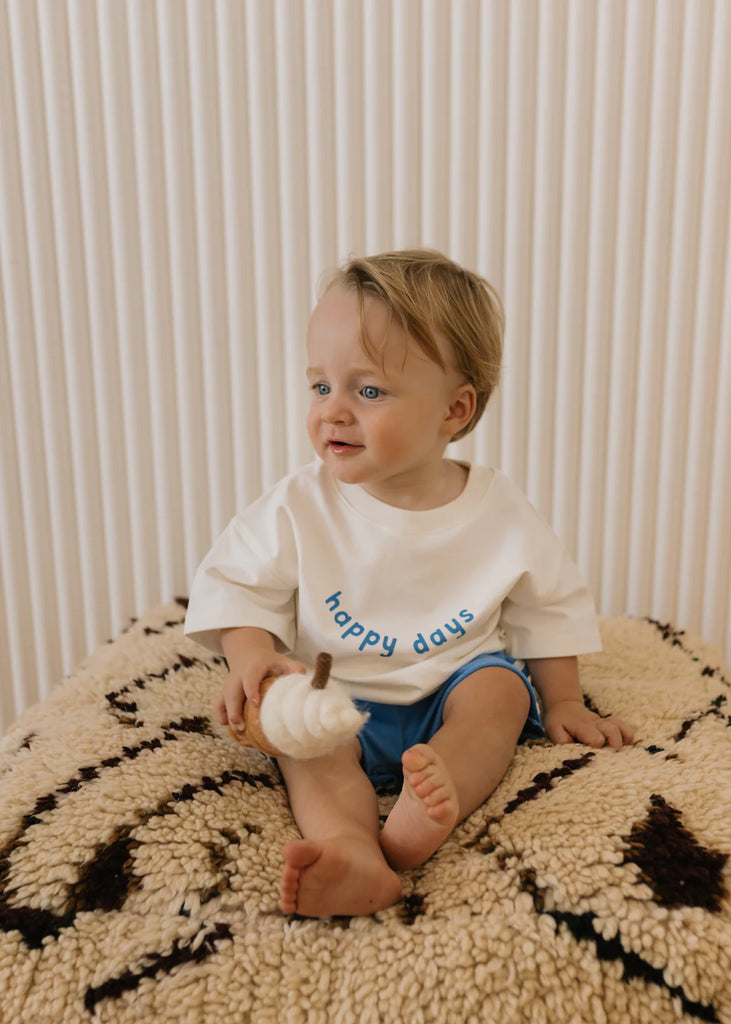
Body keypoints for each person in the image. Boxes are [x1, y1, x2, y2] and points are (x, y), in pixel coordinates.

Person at [184, 249, 633, 918]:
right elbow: (238, 588)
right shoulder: (298, 505)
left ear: (453, 410)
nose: (332, 412)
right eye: (318, 386)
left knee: (499, 695)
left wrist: (562, 700)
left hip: (450, 686)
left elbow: (548, 603)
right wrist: (253, 659)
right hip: (333, 694)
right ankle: (352, 850)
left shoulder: (499, 510)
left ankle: (433, 797)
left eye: (367, 391)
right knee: (305, 743)